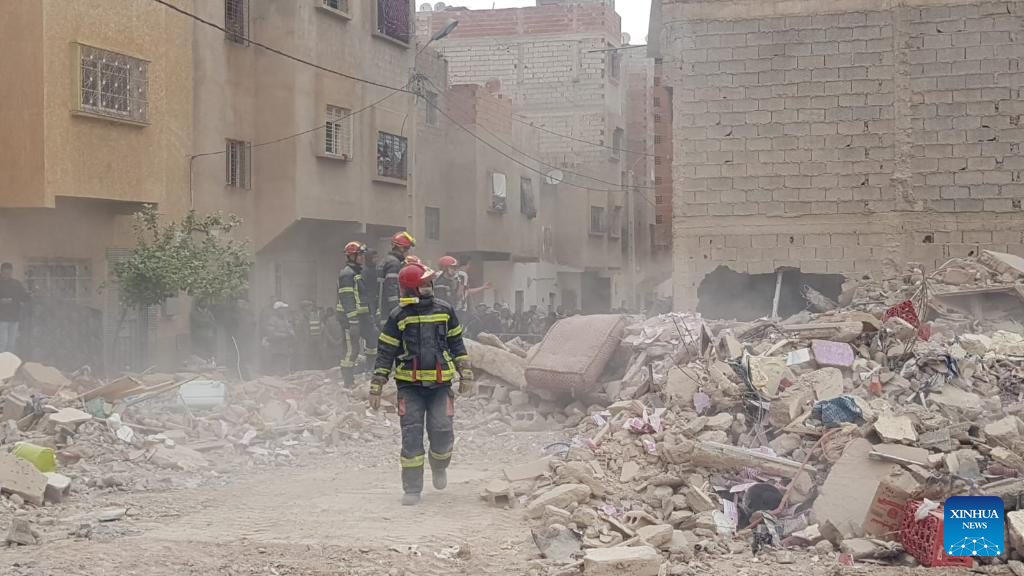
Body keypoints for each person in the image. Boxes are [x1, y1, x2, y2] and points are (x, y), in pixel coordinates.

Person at [370, 262, 473, 506]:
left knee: (442, 432)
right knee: (411, 436)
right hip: (409, 387)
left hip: (440, 385)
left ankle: (439, 466)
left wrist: (465, 372)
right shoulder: (398, 316)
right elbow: (386, 351)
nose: (430, 286)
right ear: (412, 288)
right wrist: (377, 383)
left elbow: (456, 343)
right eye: (425, 283)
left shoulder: (445, 310)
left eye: (430, 282)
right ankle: (412, 488)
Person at [337, 242, 379, 386]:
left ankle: (370, 371)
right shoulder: (347, 274)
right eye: (359, 255)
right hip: (350, 318)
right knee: (352, 350)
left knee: (373, 340)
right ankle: (348, 381)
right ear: (351, 256)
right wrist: (353, 321)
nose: (362, 257)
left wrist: (371, 315)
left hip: (363, 316)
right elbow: (348, 298)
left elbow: (364, 297)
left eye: (362, 255)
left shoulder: (358, 273)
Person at [377, 231, 416, 324]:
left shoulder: (387, 260)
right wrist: (396, 310)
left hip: (382, 308)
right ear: (401, 248)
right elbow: (392, 288)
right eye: (407, 248)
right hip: (388, 310)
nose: (408, 252)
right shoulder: (394, 263)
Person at [0, 263, 29, 354]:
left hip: (14, 317)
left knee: (11, 344)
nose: (7, 275)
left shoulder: (16, 283)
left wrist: (28, 292)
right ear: (1, 272)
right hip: (1, 318)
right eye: (5, 273)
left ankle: (9, 362)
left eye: (9, 273)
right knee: (2, 343)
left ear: (11, 272)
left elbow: (25, 298)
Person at [262, 301, 295, 376]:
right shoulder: (272, 320)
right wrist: (284, 335)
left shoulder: (285, 319)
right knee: (277, 368)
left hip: (285, 347)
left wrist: (292, 333)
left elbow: (289, 328)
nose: (285, 310)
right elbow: (271, 334)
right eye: (283, 309)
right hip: (277, 348)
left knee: (285, 367)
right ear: (278, 310)